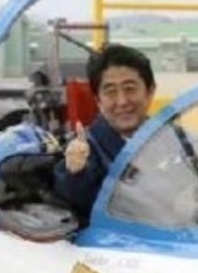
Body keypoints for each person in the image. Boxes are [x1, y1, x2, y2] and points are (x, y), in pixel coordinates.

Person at [53, 43, 156, 223]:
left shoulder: (171, 138)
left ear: (150, 91)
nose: (122, 101)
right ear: (98, 101)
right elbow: (78, 201)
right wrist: (75, 174)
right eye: (110, 92)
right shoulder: (85, 152)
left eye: (130, 88)